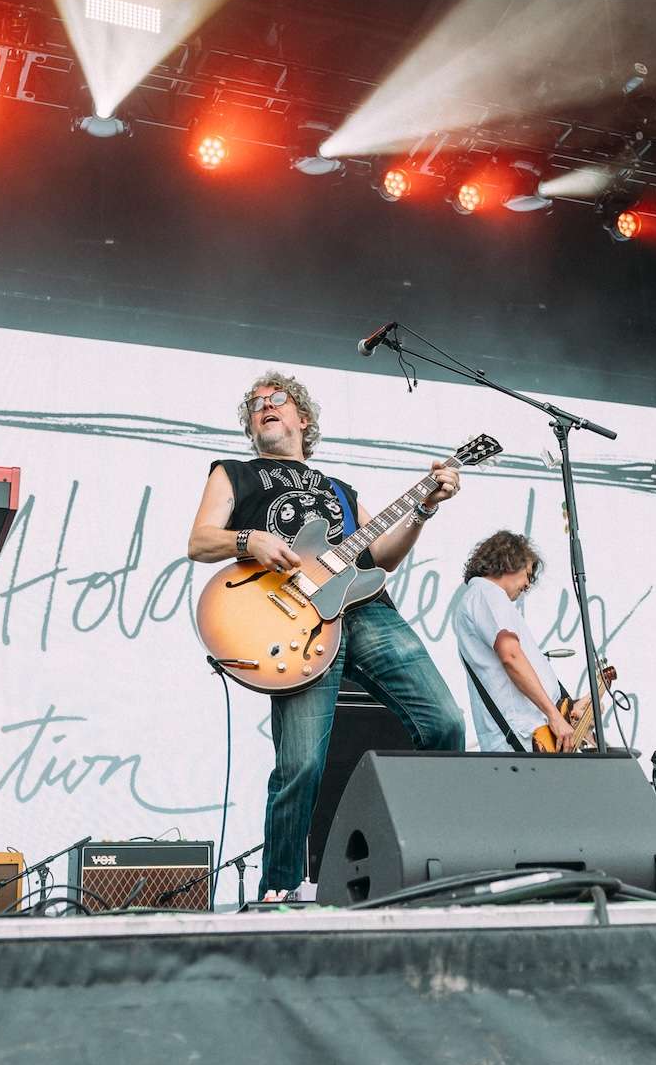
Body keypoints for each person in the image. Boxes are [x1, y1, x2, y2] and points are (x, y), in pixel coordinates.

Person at [186, 370, 464, 899]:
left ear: (303, 418)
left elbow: (382, 557)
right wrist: (250, 540)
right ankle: (279, 891)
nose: (265, 406)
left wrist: (424, 508)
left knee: (445, 723)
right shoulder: (235, 473)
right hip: (296, 622)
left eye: (277, 399)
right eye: (255, 405)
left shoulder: (340, 490)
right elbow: (200, 541)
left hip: (365, 609)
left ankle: (431, 863)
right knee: (301, 764)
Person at [450, 531, 573, 752]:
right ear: (509, 562)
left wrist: (568, 710)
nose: (527, 584)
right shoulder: (487, 594)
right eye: (527, 574)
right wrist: (554, 715)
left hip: (531, 735)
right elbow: (511, 656)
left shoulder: (483, 598)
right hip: (524, 738)